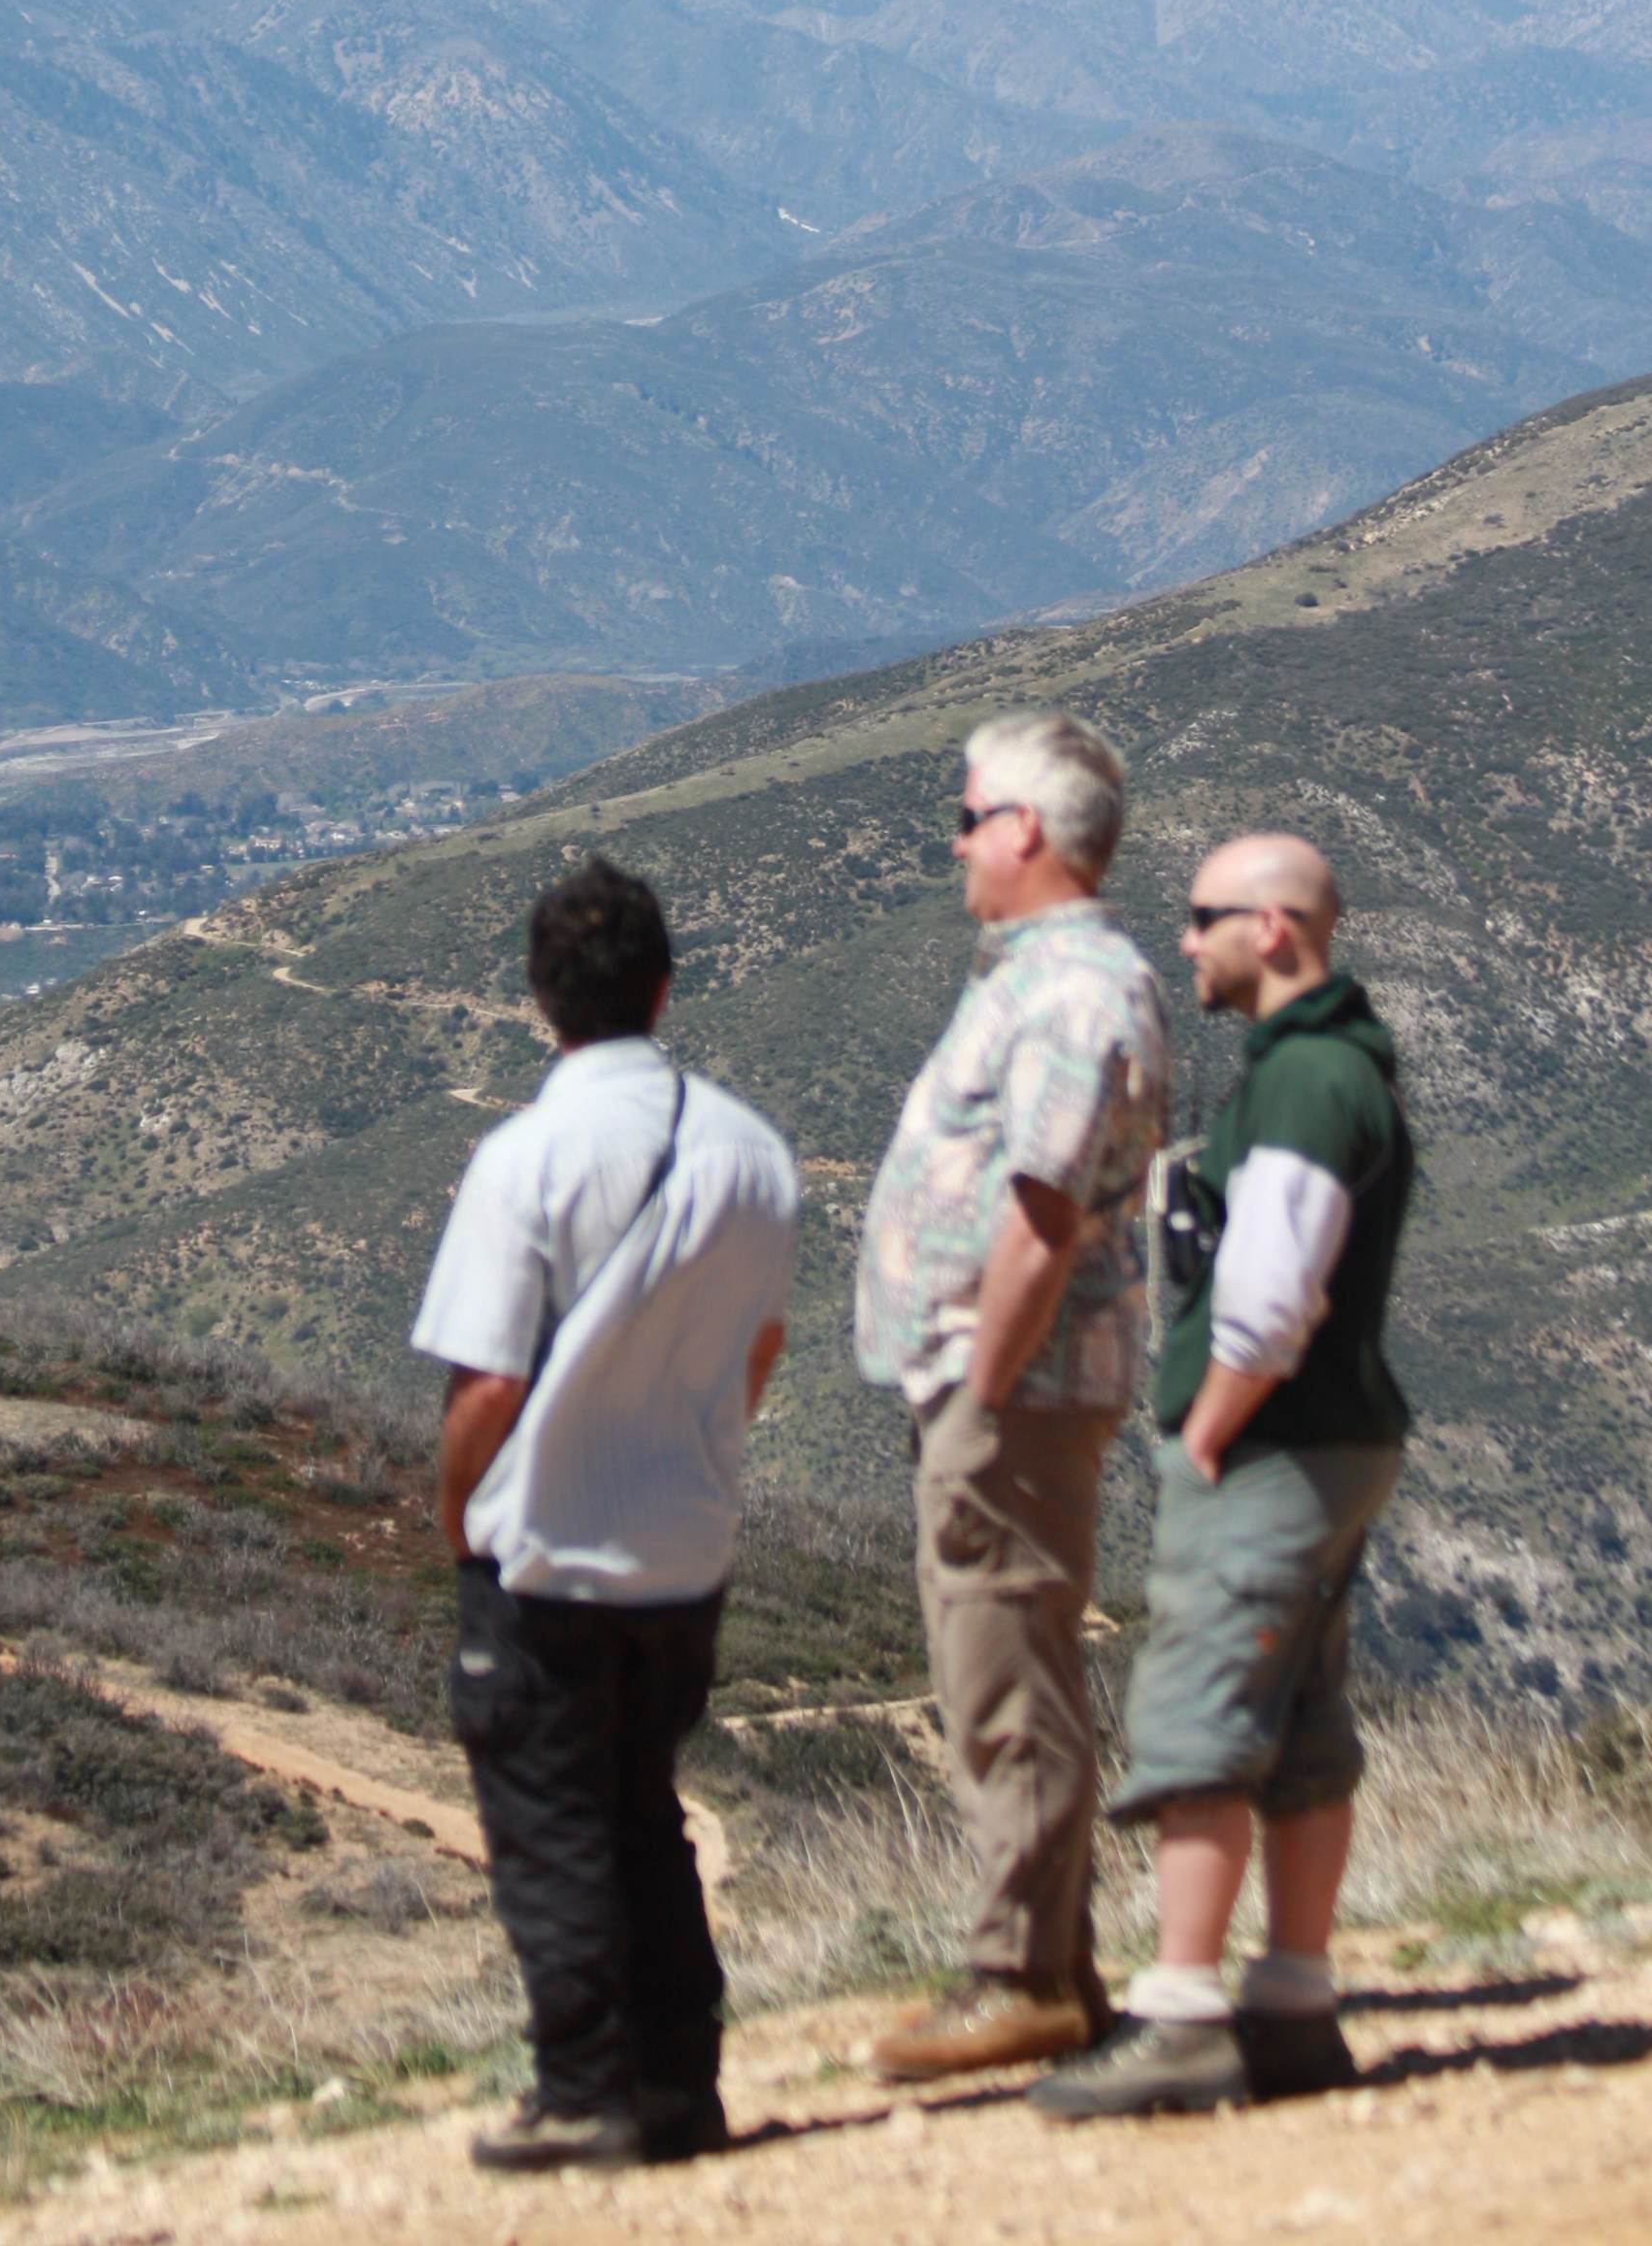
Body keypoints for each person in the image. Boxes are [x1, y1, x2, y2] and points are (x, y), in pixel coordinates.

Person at [411, 851, 798, 2175]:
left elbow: (487, 1385)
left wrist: (457, 1515)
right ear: (664, 987)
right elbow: (760, 1347)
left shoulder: (524, 1159)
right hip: (687, 1546)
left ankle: (584, 2089)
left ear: (540, 998)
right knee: (646, 1810)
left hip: (551, 1550)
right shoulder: (753, 1150)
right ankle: (681, 2086)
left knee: (552, 1822)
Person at [1032, 830, 1412, 2121]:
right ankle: (1294, 2002)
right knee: (1300, 1721)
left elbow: (1270, 1289)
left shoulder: (1307, 1081)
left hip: (1271, 1444)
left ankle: (1184, 2010)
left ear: (1276, 930)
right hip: (1330, 1439)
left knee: (1200, 1707)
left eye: (1205, 918)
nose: (1186, 939)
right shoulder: (1334, 1067)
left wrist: (1207, 1430)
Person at [854, 710, 1169, 2084]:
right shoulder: (1046, 979)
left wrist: (981, 1390)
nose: (958, 844)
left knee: (1006, 1669)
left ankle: (1023, 1975)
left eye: (970, 818)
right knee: (996, 1661)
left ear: (1026, 831)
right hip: (1006, 1380)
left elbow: (1041, 1217)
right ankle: (1058, 1972)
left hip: (1018, 1387)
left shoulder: (1075, 992)